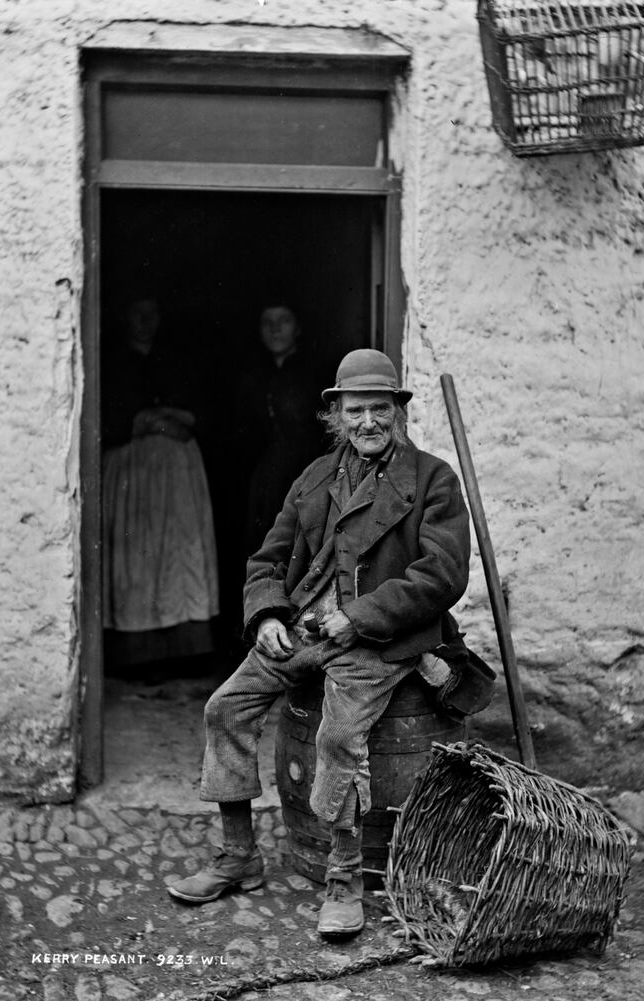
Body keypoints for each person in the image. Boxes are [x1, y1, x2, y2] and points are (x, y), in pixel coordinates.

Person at [167, 349, 471, 937]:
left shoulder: (433, 478)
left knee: (338, 735)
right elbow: (269, 558)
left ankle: (343, 879)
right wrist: (267, 617)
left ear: (398, 413)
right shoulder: (314, 477)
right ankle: (238, 857)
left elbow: (443, 574)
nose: (368, 423)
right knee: (225, 708)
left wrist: (358, 618)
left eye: (380, 409)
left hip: (383, 639)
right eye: (355, 411)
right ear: (337, 415)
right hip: (305, 629)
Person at [102, 294, 220, 669]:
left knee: (178, 553)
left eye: (151, 314)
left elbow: (199, 413)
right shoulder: (112, 360)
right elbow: (106, 415)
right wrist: (149, 422)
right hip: (131, 473)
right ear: (124, 318)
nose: (144, 322)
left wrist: (165, 417)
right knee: (136, 555)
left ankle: (181, 652)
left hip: (177, 475)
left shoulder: (176, 360)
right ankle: (138, 655)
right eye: (137, 314)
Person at [234, 303, 325, 557]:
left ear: (298, 328)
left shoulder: (314, 373)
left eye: (283, 320)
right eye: (267, 322)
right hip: (267, 479)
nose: (275, 329)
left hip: (308, 473)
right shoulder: (253, 377)